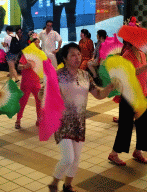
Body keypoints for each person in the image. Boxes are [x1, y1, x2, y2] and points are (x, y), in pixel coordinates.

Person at [48, 43, 114, 192]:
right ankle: (54, 182)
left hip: (79, 123)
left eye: (78, 54)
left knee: (76, 158)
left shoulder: (85, 75)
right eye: (72, 55)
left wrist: (108, 88)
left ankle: (68, 185)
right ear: (64, 58)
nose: (77, 57)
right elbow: (44, 95)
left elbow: (97, 95)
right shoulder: (58, 75)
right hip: (61, 122)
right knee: (68, 158)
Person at [108, 40, 147, 166]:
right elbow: (131, 73)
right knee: (125, 127)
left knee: (145, 125)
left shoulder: (142, 54)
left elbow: (145, 75)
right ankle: (114, 154)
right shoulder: (126, 55)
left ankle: (138, 151)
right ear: (132, 42)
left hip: (142, 95)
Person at [15, 33, 41, 129]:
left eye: (38, 42)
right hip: (26, 82)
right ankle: (18, 120)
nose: (37, 44)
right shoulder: (26, 54)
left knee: (39, 100)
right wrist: (25, 66)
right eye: (36, 42)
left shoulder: (40, 54)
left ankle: (39, 119)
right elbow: (19, 66)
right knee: (23, 101)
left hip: (36, 82)